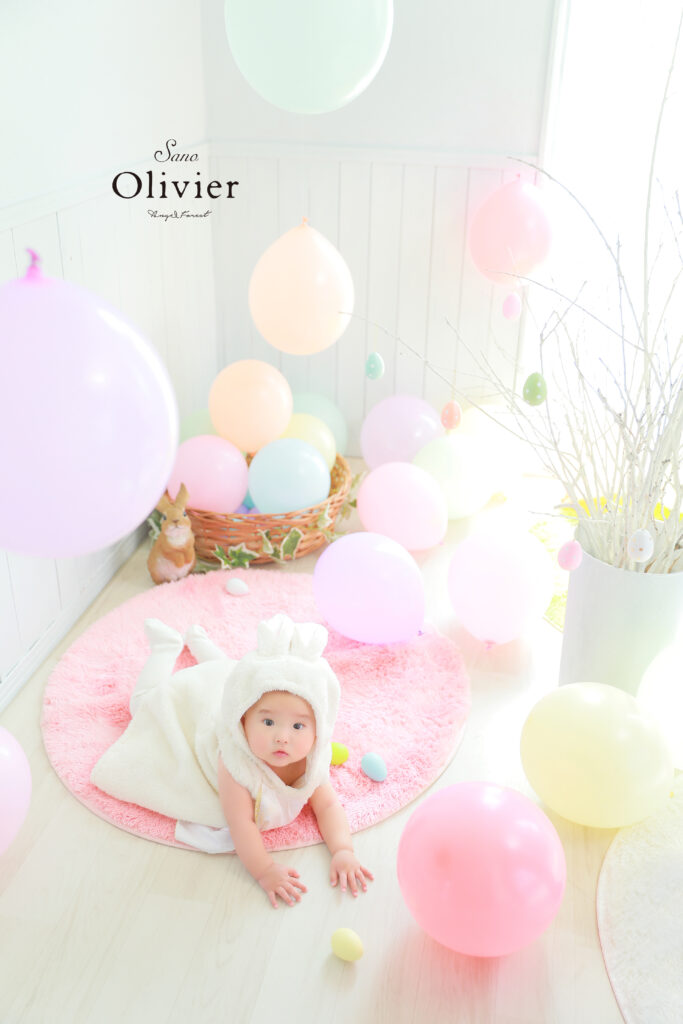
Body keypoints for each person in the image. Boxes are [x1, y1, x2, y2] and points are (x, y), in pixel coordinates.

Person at [91, 612, 373, 909]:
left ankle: (199, 642)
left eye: (298, 726)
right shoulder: (236, 763)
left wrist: (343, 850)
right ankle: (166, 648)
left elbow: (328, 806)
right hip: (200, 704)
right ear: (243, 721)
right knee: (145, 704)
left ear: (318, 730)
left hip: (228, 682)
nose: (282, 737)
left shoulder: (310, 759)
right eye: (268, 723)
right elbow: (241, 823)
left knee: (229, 670)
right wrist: (265, 870)